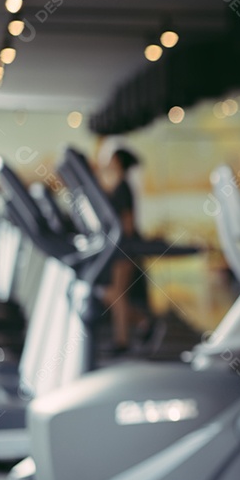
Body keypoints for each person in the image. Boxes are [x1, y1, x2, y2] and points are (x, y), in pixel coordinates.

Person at [100, 145, 150, 354]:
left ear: (118, 162)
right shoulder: (120, 186)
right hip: (118, 245)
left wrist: (122, 242)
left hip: (124, 247)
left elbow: (127, 222)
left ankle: (122, 340)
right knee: (111, 294)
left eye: (112, 158)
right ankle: (143, 322)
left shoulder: (123, 187)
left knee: (118, 294)